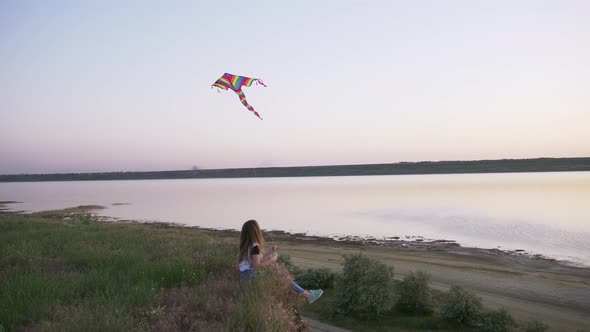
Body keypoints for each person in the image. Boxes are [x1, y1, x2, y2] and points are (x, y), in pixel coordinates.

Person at [238, 219, 323, 304]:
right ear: (256, 231)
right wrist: (272, 260)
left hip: (245, 275)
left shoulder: (247, 246)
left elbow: (255, 262)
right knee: (280, 275)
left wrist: (269, 252)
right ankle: (307, 295)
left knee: (279, 275)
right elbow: (256, 266)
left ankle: (303, 294)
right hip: (249, 276)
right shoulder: (254, 246)